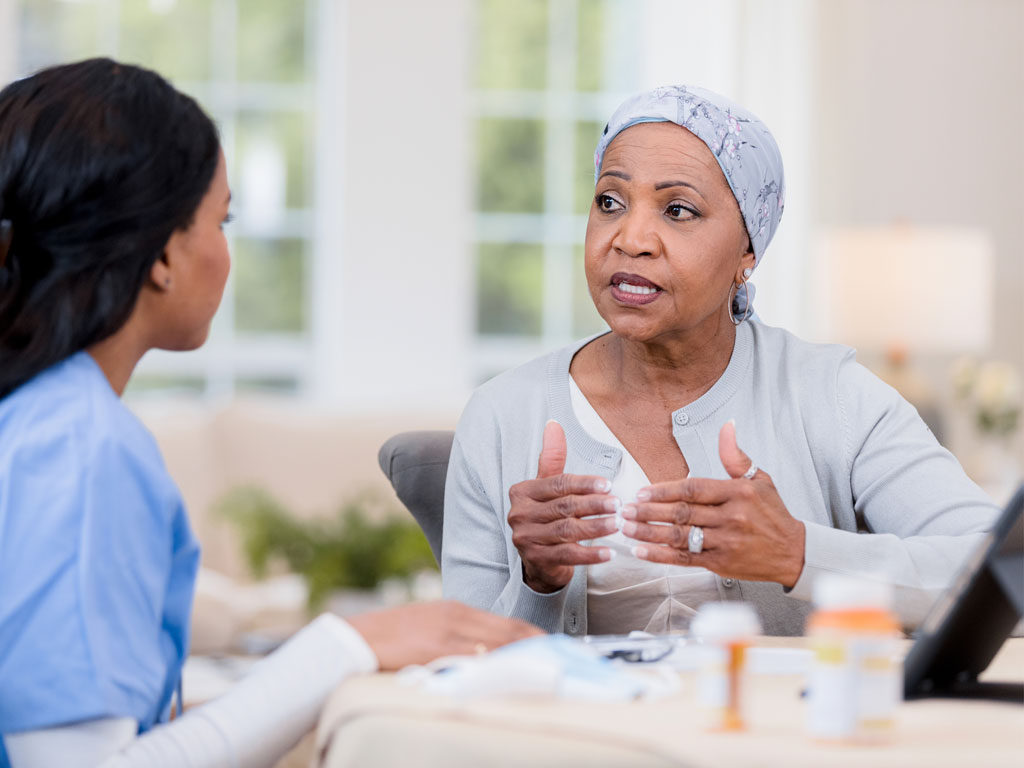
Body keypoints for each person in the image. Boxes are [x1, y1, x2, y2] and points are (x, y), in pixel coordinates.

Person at [0, 59, 538, 768]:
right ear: (162, 253)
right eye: (219, 220)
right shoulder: (78, 445)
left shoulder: (35, 418)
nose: (225, 252)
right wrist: (347, 646)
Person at [441, 85, 999, 637]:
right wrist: (538, 583)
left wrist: (796, 552)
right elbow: (453, 661)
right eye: (610, 201)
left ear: (747, 250)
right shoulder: (501, 415)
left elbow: (997, 573)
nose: (631, 239)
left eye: (677, 210)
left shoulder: (834, 396)